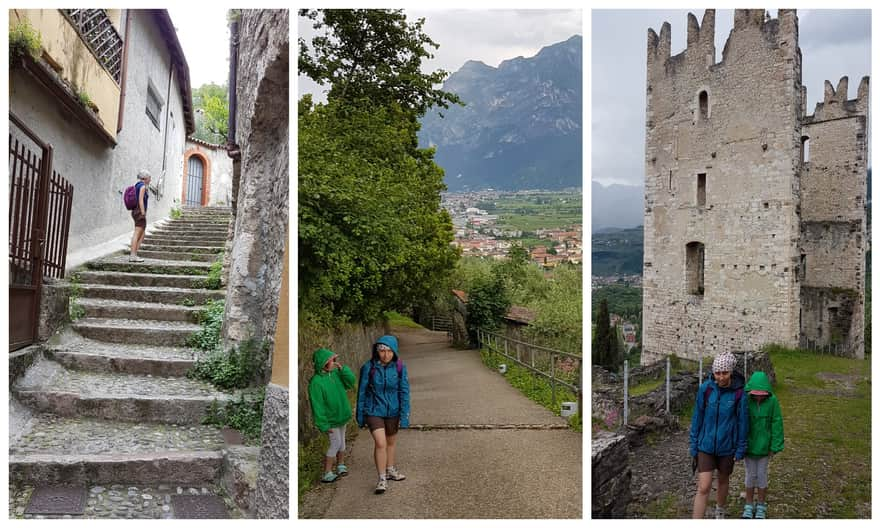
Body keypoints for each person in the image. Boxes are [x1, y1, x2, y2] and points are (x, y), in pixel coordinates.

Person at [689, 352, 748, 519]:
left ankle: (720, 511)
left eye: (724, 373)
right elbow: (697, 418)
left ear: (731, 372)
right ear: (713, 373)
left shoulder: (738, 394)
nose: (721, 377)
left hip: (727, 446)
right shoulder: (705, 390)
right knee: (704, 486)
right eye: (717, 373)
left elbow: (743, 422)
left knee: (723, 481)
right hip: (705, 445)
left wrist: (740, 448)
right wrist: (694, 445)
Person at [356, 335, 410, 494]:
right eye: (382, 351)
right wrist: (360, 415)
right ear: (377, 351)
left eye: (389, 351)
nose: (386, 355)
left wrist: (405, 415)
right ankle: (381, 478)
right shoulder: (369, 367)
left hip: (393, 410)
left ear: (394, 352)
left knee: (391, 443)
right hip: (373, 410)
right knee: (381, 443)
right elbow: (362, 392)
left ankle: (390, 469)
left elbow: (404, 391)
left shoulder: (400, 367)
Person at [308, 347, 356, 483]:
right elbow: (317, 405)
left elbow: (350, 382)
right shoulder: (316, 382)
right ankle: (327, 472)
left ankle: (340, 465)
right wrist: (323, 424)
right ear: (323, 363)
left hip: (342, 416)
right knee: (336, 443)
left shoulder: (335, 374)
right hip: (331, 420)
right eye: (331, 360)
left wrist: (343, 370)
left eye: (334, 360)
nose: (334, 363)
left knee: (342, 443)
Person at [741, 371, 784, 519]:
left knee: (762, 476)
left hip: (765, 449)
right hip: (749, 448)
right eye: (755, 393)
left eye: (761, 393)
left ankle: (760, 505)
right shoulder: (745, 401)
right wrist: (740, 445)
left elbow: (776, 423)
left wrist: (775, 446)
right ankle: (748, 505)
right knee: (749, 475)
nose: (758, 396)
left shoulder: (772, 402)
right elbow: (740, 423)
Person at [129, 170, 151, 262]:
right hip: (139, 212)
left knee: (142, 233)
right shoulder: (142, 186)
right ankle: (133, 255)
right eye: (149, 178)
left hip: (135, 211)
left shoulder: (137, 185)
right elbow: (140, 200)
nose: (150, 180)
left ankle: (134, 254)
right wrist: (143, 213)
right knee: (137, 232)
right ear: (145, 178)